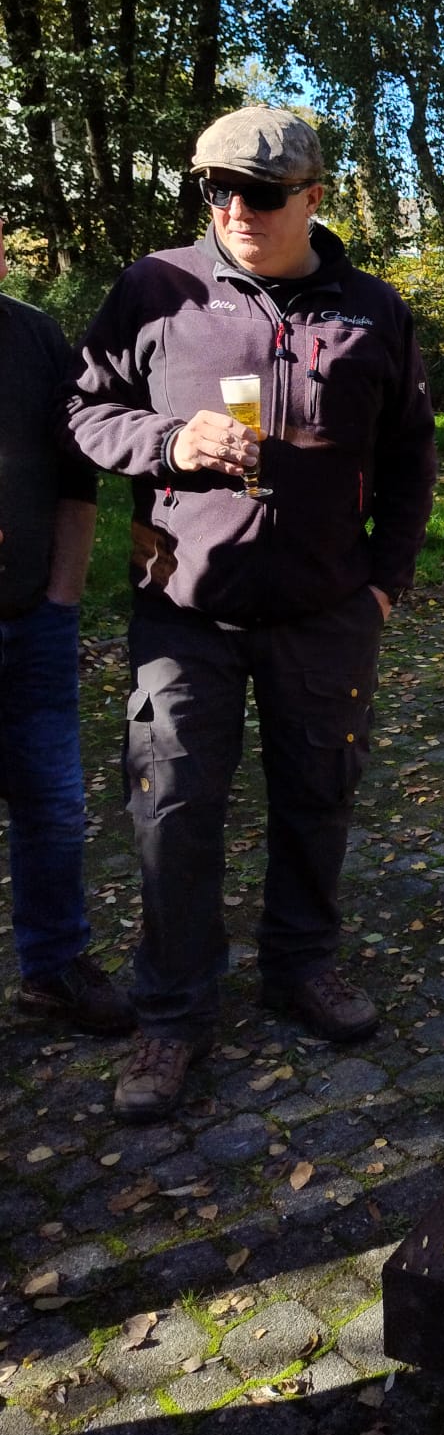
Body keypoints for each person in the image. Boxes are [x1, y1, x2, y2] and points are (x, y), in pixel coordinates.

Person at [69, 107, 436, 1121]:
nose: (237, 209)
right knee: (173, 811)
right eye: (217, 189)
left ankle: (300, 966)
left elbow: (411, 457)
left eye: (263, 194)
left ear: (313, 196)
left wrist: (383, 583)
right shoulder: (156, 288)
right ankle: (172, 1014)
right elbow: (83, 410)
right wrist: (168, 444)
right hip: (184, 610)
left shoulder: (374, 310)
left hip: (325, 611)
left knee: (319, 796)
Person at [1, 220, 131, 1035]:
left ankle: (53, 969)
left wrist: (62, 597)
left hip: (34, 622)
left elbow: (78, 480)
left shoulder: (35, 335)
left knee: (52, 806)